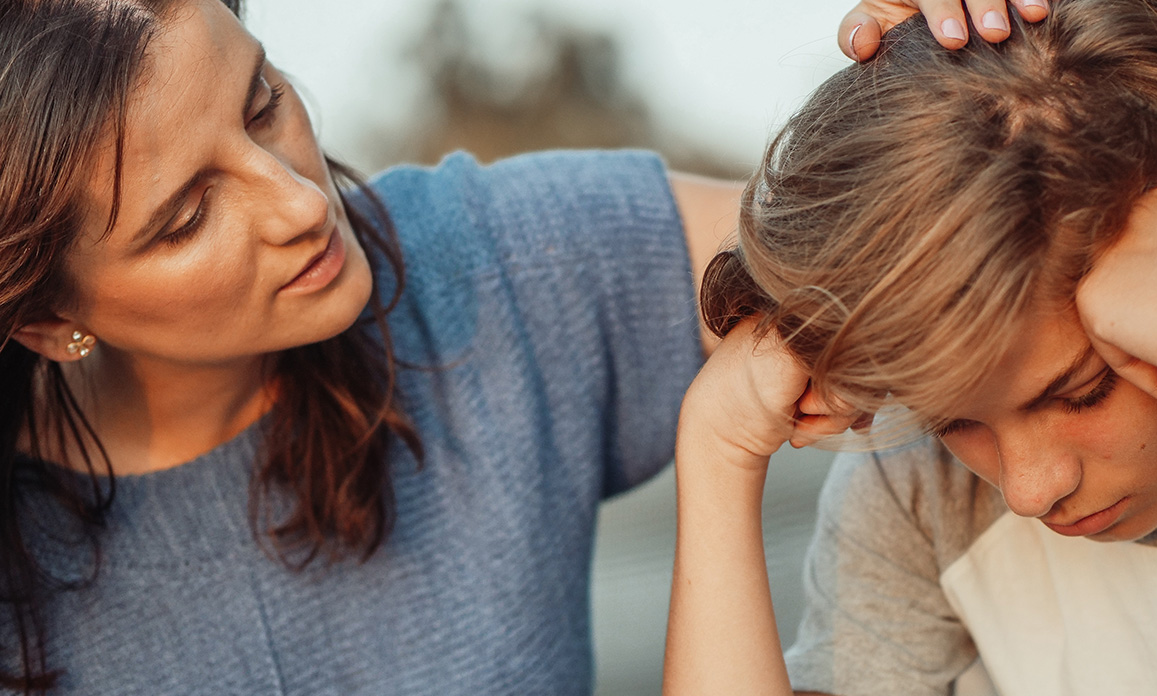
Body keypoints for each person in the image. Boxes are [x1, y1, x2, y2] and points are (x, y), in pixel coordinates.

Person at [0, 0, 1036, 692]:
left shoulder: (490, 264)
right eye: (186, 217)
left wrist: (962, 70)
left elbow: (937, 213)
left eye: (263, 104)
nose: (299, 203)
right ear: (47, 318)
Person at [664, 2, 1157, 695]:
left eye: (1080, 392)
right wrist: (717, 450)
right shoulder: (918, 489)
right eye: (954, 421)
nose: (1029, 488)